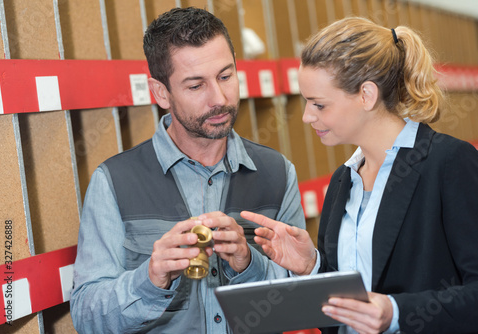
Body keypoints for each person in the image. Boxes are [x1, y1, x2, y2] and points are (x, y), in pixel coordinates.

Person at [242, 17, 478, 334]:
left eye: (319, 104)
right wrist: (313, 266)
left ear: (366, 95)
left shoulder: (449, 163)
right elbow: (356, 289)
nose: (307, 116)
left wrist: (397, 312)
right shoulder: (343, 179)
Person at [70, 7, 305, 334]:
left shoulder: (278, 174)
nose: (219, 99)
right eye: (196, 86)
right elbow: (86, 318)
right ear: (161, 93)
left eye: (225, 76)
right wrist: (150, 278)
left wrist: (248, 266)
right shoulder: (113, 182)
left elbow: (299, 306)